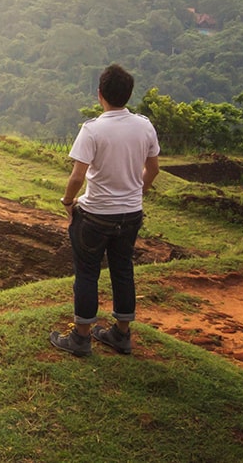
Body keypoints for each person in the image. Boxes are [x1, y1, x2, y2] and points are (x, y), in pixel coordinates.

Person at [49, 64, 159, 358]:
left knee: (87, 273)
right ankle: (121, 335)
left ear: (100, 95)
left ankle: (81, 337)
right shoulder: (144, 126)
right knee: (123, 269)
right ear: (129, 94)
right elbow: (153, 169)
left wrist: (67, 202)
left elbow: (76, 176)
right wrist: (138, 192)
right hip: (131, 214)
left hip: (95, 215)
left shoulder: (92, 130)